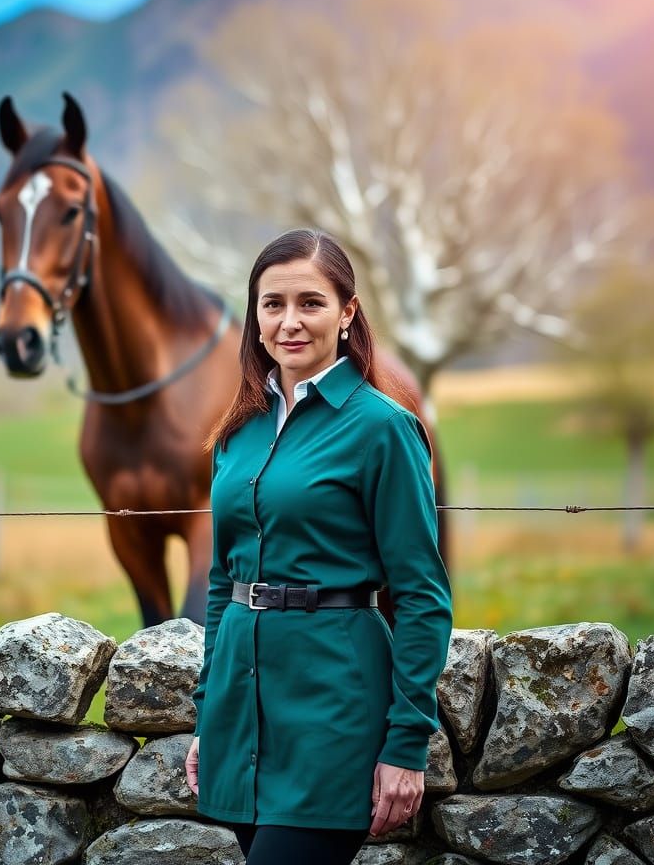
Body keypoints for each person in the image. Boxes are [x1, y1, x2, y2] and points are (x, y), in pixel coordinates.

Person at [183, 228, 453, 865]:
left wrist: (406, 746)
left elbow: (422, 595)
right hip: (242, 714)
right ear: (254, 315)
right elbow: (224, 583)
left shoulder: (382, 428)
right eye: (273, 304)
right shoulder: (237, 432)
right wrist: (210, 713)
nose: (290, 322)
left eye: (311, 303)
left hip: (335, 710)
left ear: (347, 311)